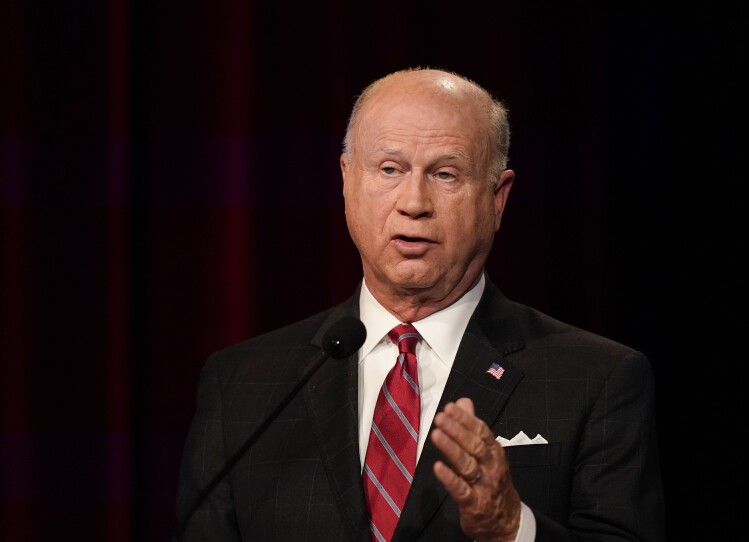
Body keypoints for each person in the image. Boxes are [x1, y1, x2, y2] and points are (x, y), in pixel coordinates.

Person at [176, 67, 665, 541]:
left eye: (446, 174)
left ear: (498, 198)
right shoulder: (242, 385)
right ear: (348, 181)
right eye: (390, 169)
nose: (414, 201)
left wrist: (511, 529)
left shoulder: (597, 378)